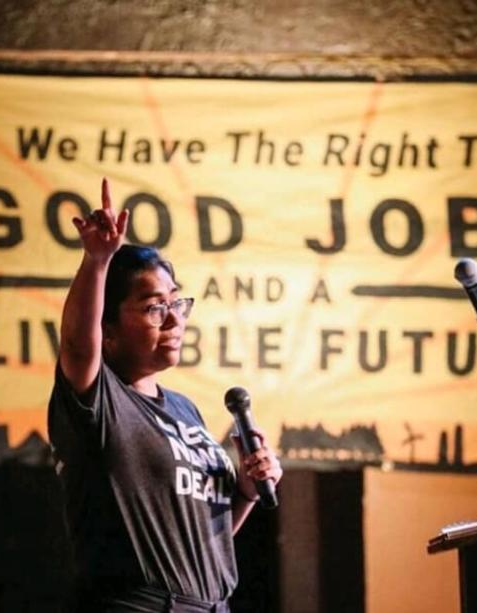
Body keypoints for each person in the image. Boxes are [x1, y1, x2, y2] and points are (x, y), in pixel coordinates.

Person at [47, 178, 283, 612]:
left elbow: (198, 539)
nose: (174, 320)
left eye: (177, 303)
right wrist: (97, 262)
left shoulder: (184, 410)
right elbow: (78, 348)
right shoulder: (99, 402)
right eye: (155, 308)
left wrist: (246, 490)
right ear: (109, 330)